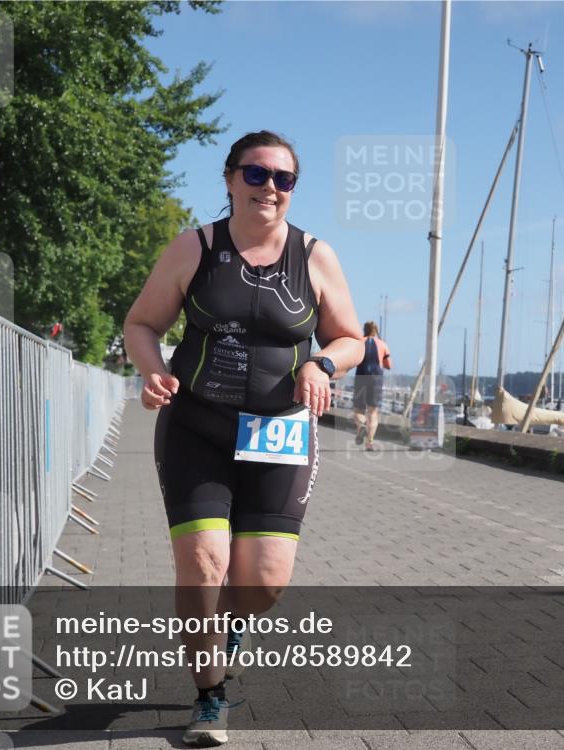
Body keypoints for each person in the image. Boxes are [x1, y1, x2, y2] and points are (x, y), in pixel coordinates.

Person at [123, 130, 363, 747]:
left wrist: (321, 365)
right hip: (197, 427)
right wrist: (152, 371)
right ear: (230, 179)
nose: (270, 189)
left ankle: (221, 628)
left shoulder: (314, 256)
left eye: (284, 179)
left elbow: (349, 338)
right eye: (257, 175)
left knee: (264, 582)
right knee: (205, 564)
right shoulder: (195, 248)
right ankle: (210, 694)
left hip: (279, 434)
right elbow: (143, 323)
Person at [352, 321, 392, 451]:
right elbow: (388, 365)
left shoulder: (359, 342)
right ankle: (370, 442)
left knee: (358, 410)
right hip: (376, 379)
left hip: (361, 376)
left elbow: (352, 360)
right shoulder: (382, 344)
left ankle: (362, 425)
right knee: (373, 412)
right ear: (375, 331)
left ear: (364, 329)